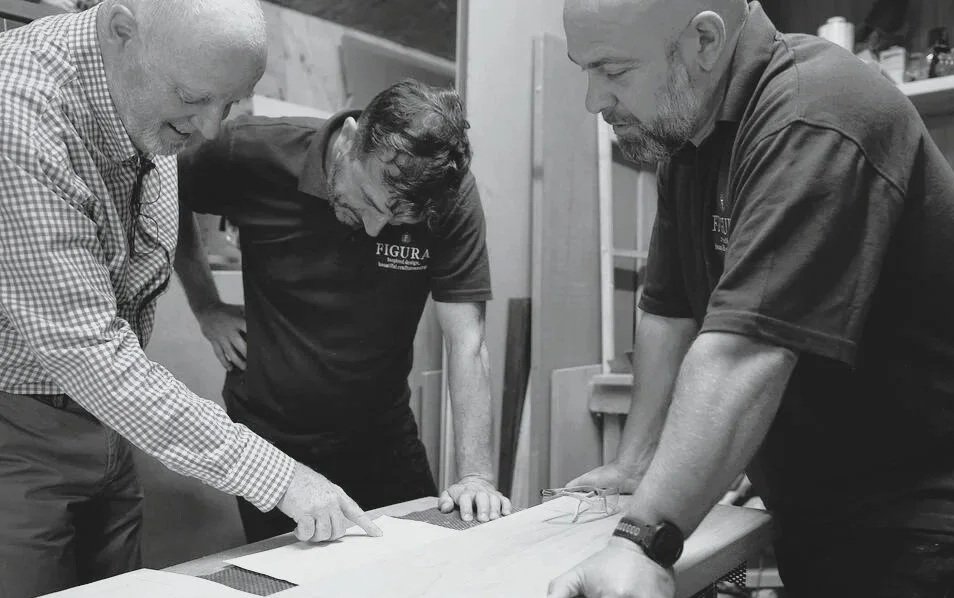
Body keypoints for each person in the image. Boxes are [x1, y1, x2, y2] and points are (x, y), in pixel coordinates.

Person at [549, 1, 954, 597]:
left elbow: (747, 351)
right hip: (821, 507)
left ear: (705, 41)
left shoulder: (814, 112)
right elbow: (669, 312)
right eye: (585, 70)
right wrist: (635, 463)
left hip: (919, 516)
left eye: (613, 71)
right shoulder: (691, 143)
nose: (594, 100)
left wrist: (642, 540)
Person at [0, 2, 381, 597]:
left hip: (111, 420)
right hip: (18, 424)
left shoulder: (158, 90)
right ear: (122, 32)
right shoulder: (19, 114)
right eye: (193, 99)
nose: (210, 130)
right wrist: (280, 478)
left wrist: (204, 308)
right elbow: (84, 349)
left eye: (229, 105)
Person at [175, 79, 512, 543]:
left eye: (396, 220)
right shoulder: (249, 151)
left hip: (383, 434)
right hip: (272, 440)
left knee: (419, 561)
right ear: (352, 138)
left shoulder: (446, 196)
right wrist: (205, 305)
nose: (375, 228)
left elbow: (467, 340)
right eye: (370, 201)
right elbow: (167, 193)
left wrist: (476, 476)